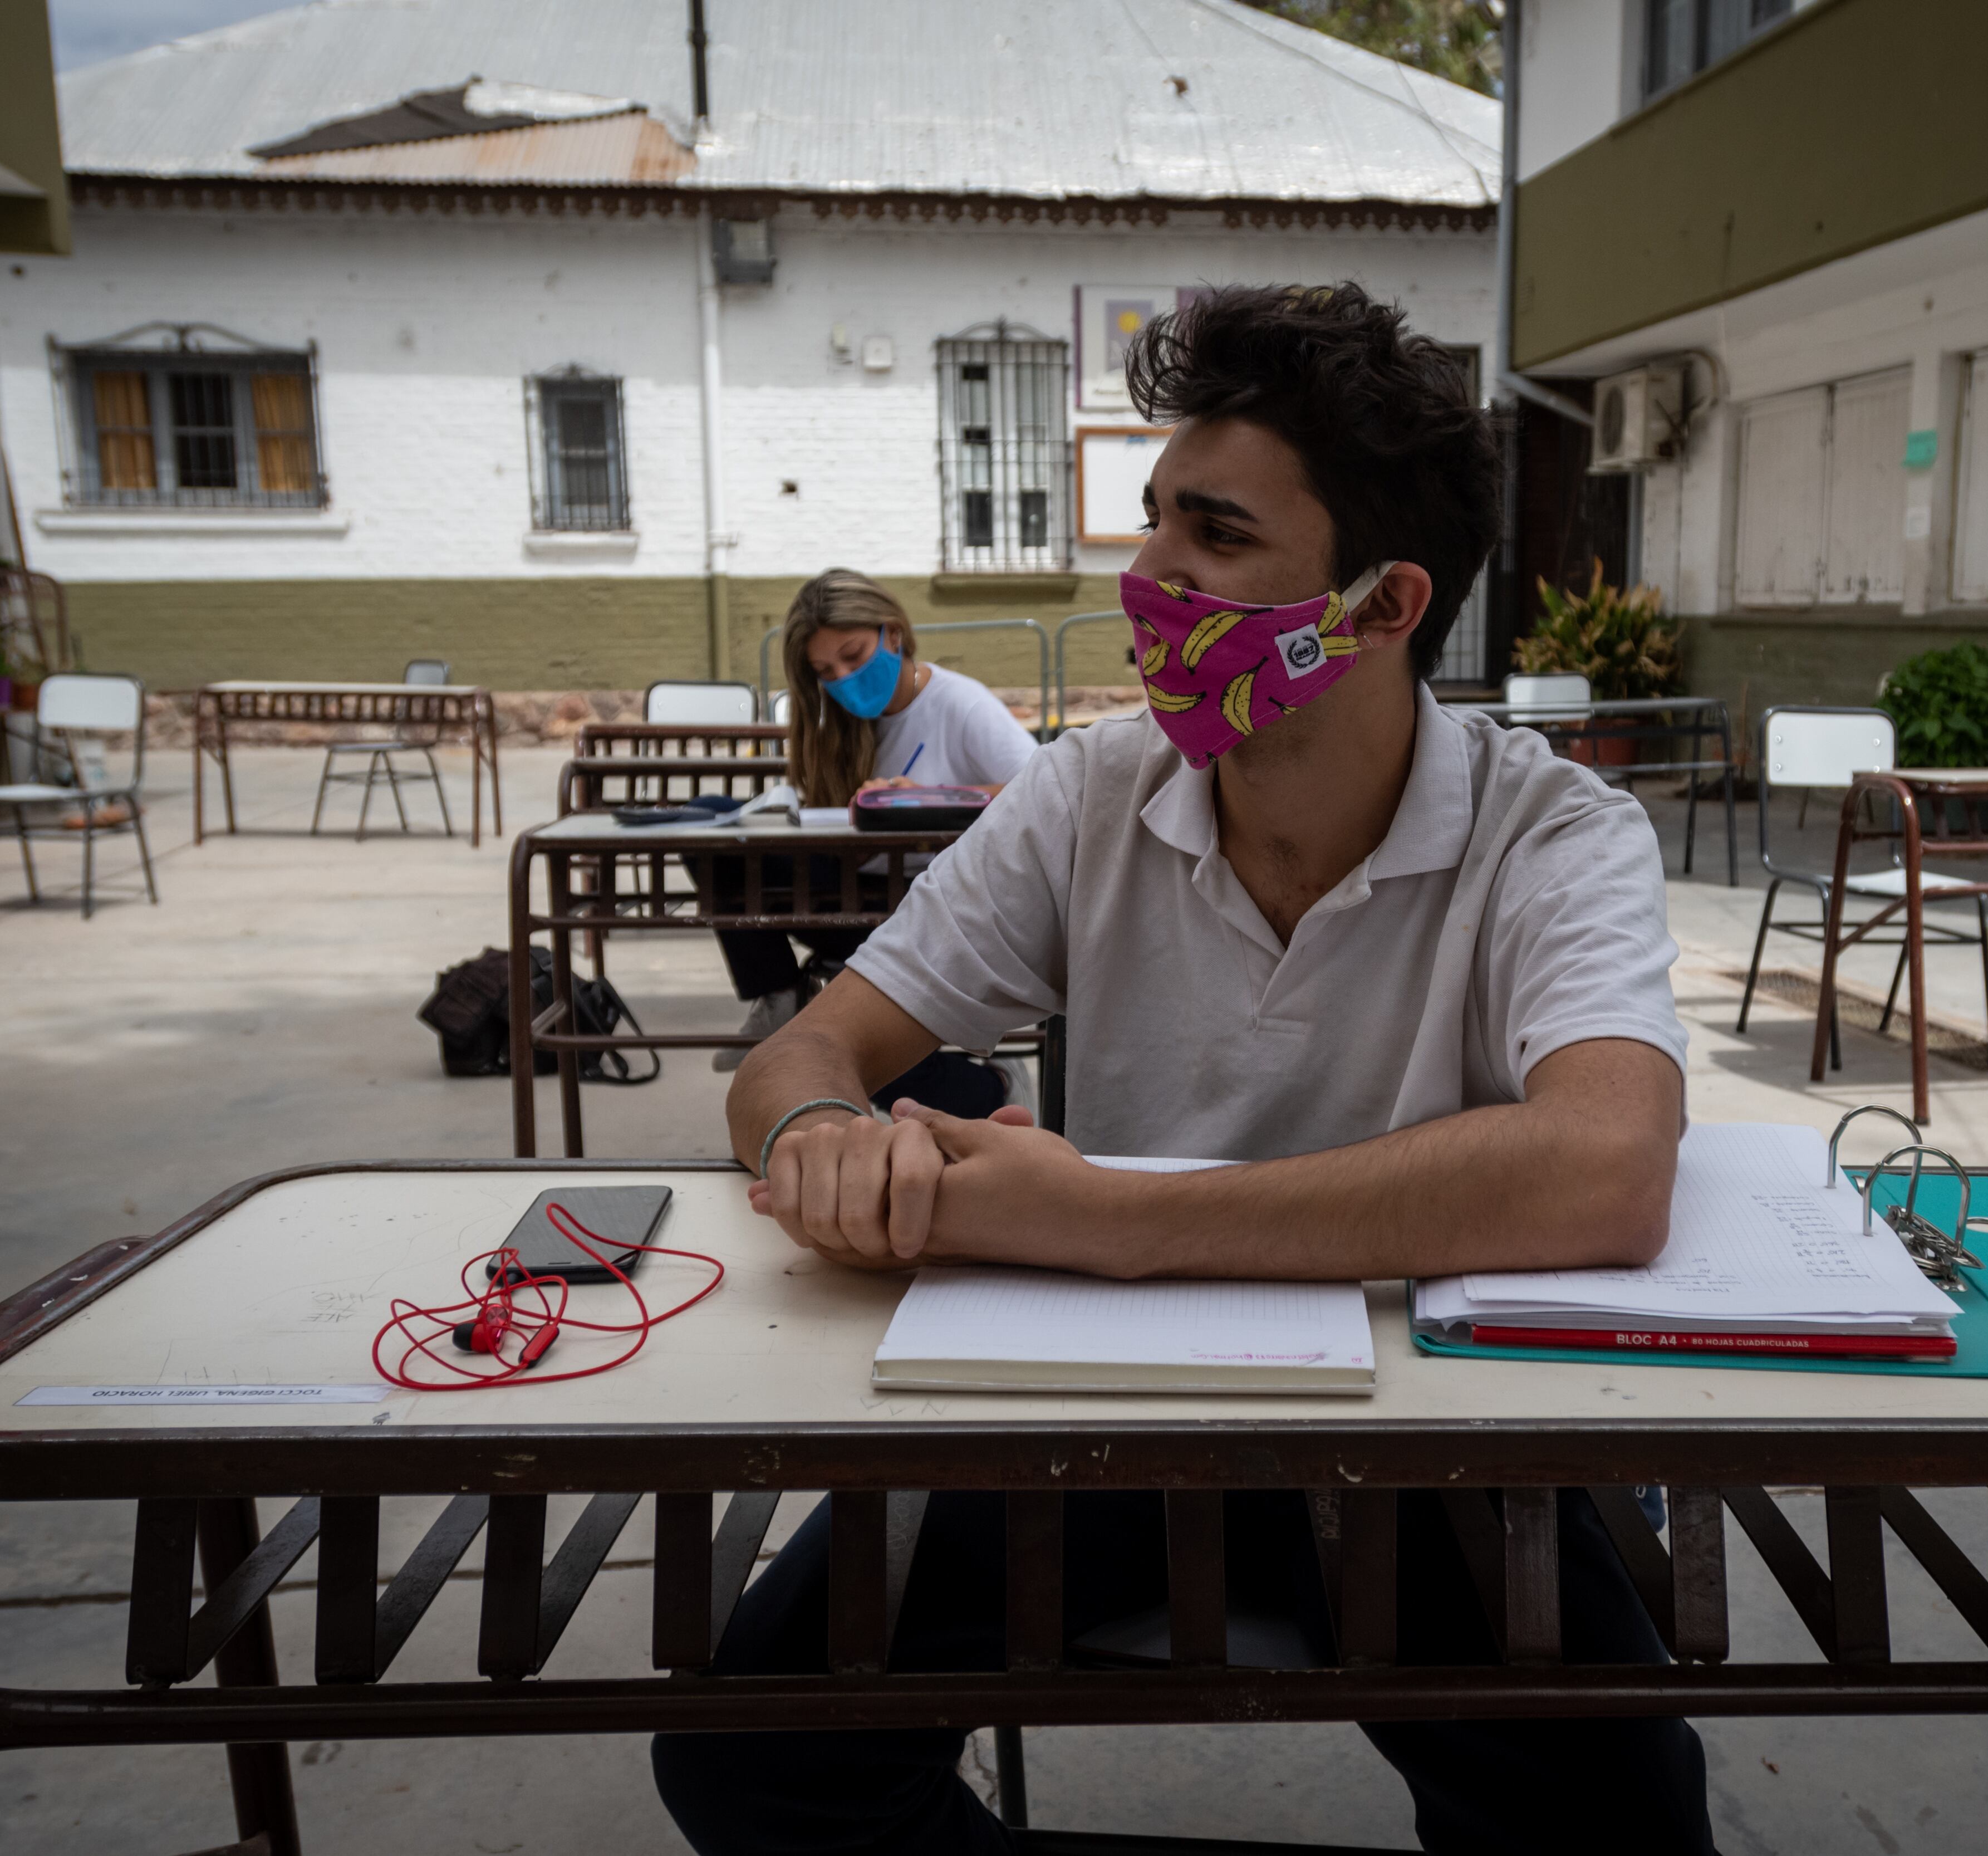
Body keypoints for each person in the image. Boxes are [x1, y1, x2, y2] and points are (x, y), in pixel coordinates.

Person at [654, 284, 1714, 1855]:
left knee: (1622, 1825)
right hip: (1095, 1408)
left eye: (1214, 538)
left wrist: (1114, 1218)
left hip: (1432, 1444)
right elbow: (811, 1044)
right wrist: (819, 1125)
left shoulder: (1548, 829)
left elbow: (1608, 1166)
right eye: (1154, 522)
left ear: (1382, 602)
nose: (1145, 577)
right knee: (750, 1758)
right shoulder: (1094, 789)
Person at [700, 569, 1036, 1113]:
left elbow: (1043, 789)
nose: (842, 678)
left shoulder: (959, 704)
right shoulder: (837, 721)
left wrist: (935, 797)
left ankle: (992, 1091)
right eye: (824, 671)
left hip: (934, 911)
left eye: (853, 657)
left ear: (893, 636)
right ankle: (777, 995)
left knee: (842, 1055)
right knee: (713, 822)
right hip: (856, 897)